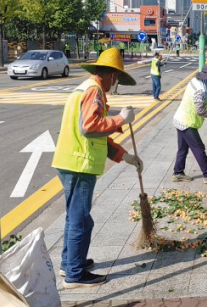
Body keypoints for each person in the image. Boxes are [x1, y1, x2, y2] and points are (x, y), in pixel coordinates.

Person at [51, 48, 143, 289]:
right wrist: (121, 119)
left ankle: (69, 263)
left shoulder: (83, 88)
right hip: (80, 165)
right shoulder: (95, 92)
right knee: (81, 221)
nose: (116, 84)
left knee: (75, 218)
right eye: (117, 79)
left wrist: (126, 156)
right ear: (111, 75)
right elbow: (90, 127)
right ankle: (75, 274)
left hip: (70, 161)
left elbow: (98, 136)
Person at [171, 64, 207, 184]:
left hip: (179, 119)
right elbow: (200, 111)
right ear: (206, 79)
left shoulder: (194, 81)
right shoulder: (200, 91)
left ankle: (178, 173)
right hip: (187, 123)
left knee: (183, 149)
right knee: (198, 148)